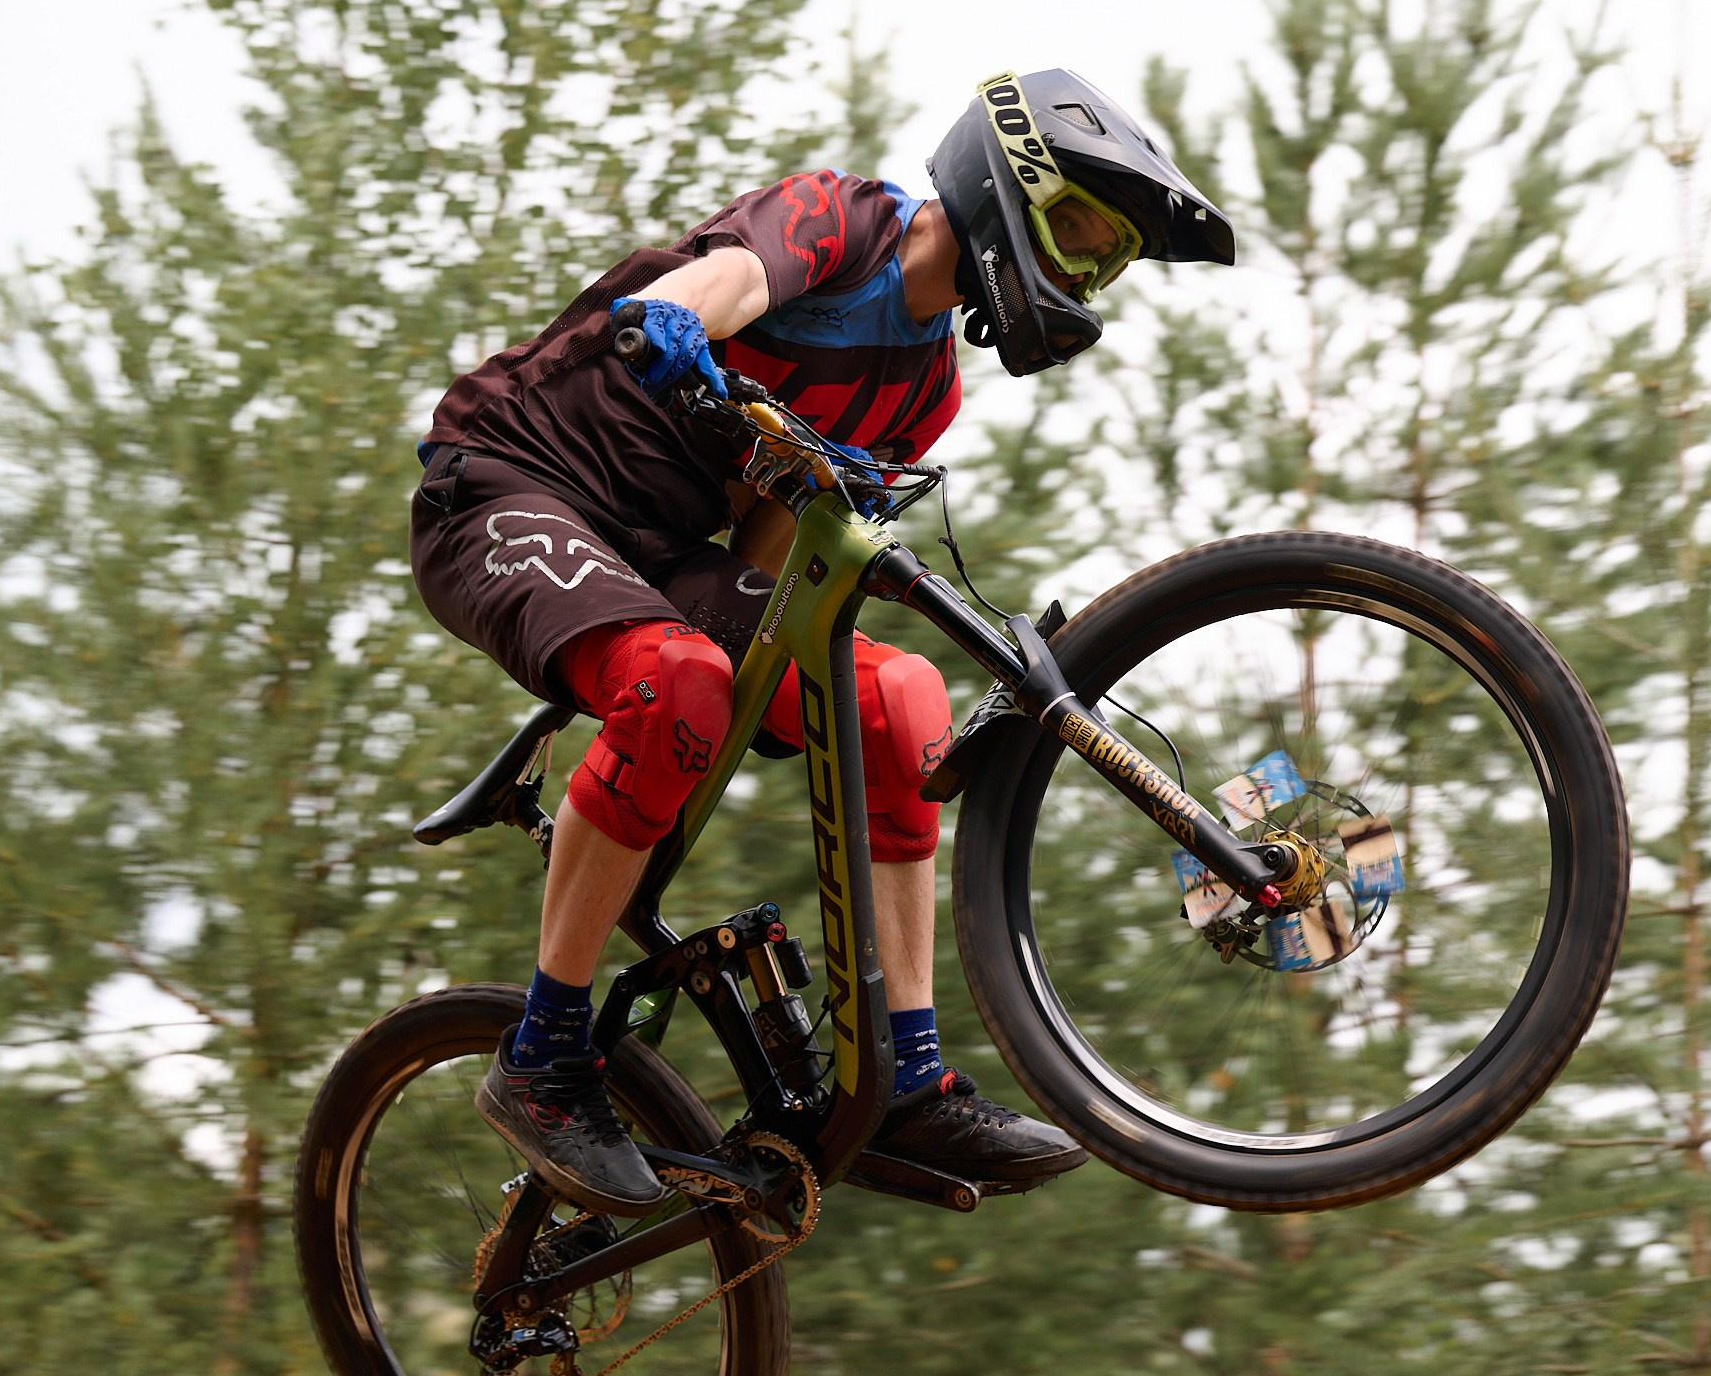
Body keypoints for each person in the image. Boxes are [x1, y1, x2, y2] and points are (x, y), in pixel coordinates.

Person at [409, 70, 1237, 1216]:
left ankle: (902, 1073)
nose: (1086, 273)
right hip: (503, 483)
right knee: (680, 684)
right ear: (1011, 180)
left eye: (1108, 263)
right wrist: (678, 319)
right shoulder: (840, 222)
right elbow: (731, 278)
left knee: (900, 698)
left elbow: (764, 566)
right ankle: (542, 1061)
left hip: (658, 549)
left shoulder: (927, 391)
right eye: (1083, 234)